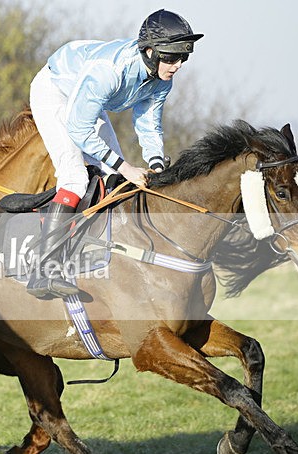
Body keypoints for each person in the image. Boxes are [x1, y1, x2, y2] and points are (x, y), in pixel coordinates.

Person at [26, 9, 203, 298]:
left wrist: (155, 161)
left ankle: (93, 254)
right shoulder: (109, 72)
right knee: (74, 178)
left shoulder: (162, 79)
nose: (177, 66)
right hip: (55, 91)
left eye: (183, 58)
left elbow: (148, 121)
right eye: (171, 58)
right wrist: (125, 166)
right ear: (149, 52)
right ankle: (42, 271)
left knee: (114, 179)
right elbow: (78, 129)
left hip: (86, 98)